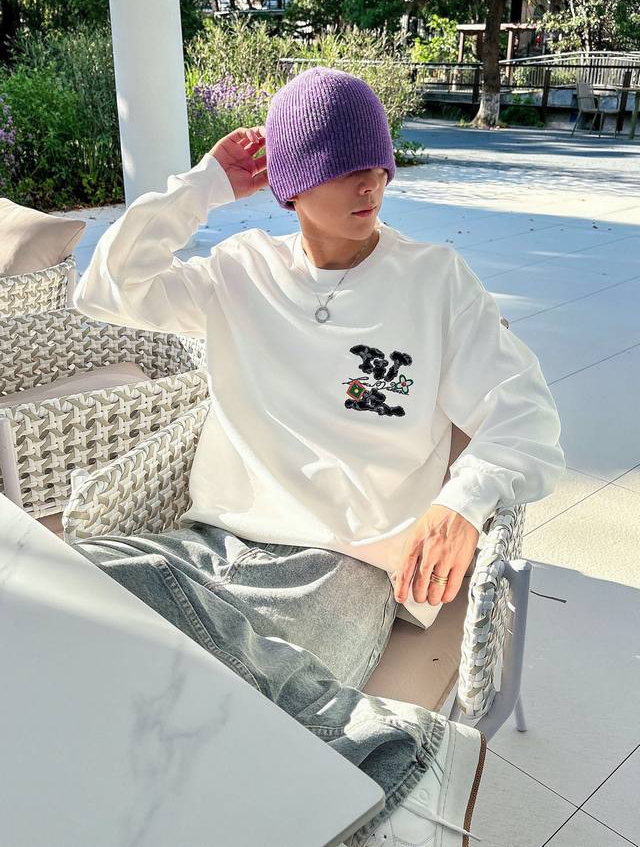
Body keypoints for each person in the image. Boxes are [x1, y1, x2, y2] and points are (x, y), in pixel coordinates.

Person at [71, 66, 565, 846]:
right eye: (344, 165)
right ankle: (384, 747)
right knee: (63, 582)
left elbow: (526, 416)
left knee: (211, 710)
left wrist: (461, 501)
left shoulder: (435, 281)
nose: (372, 181)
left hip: (342, 568)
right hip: (205, 547)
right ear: (293, 184)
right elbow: (106, 288)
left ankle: (379, 755)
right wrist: (203, 186)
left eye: (379, 162)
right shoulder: (240, 272)